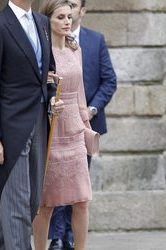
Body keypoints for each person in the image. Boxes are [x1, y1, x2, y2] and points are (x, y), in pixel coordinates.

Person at [0, 0, 64, 249]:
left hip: (38, 120)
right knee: (17, 204)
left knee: (31, 202)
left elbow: (47, 72)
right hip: (9, 129)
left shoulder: (43, 23)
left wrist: (52, 95)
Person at [48, 0, 117, 249]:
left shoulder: (94, 40)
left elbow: (109, 80)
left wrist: (89, 111)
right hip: (54, 124)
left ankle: (69, 237)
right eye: (63, 11)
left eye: (74, 6)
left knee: (78, 190)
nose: (69, 15)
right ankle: (56, 238)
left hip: (84, 123)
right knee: (53, 188)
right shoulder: (45, 44)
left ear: (82, 11)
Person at [32, 1, 96, 250]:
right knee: (46, 204)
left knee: (81, 201)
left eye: (69, 16)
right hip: (51, 128)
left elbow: (80, 93)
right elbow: (35, 91)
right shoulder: (41, 52)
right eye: (61, 17)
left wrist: (86, 127)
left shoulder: (74, 49)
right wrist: (49, 102)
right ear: (48, 20)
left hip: (75, 132)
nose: (68, 21)